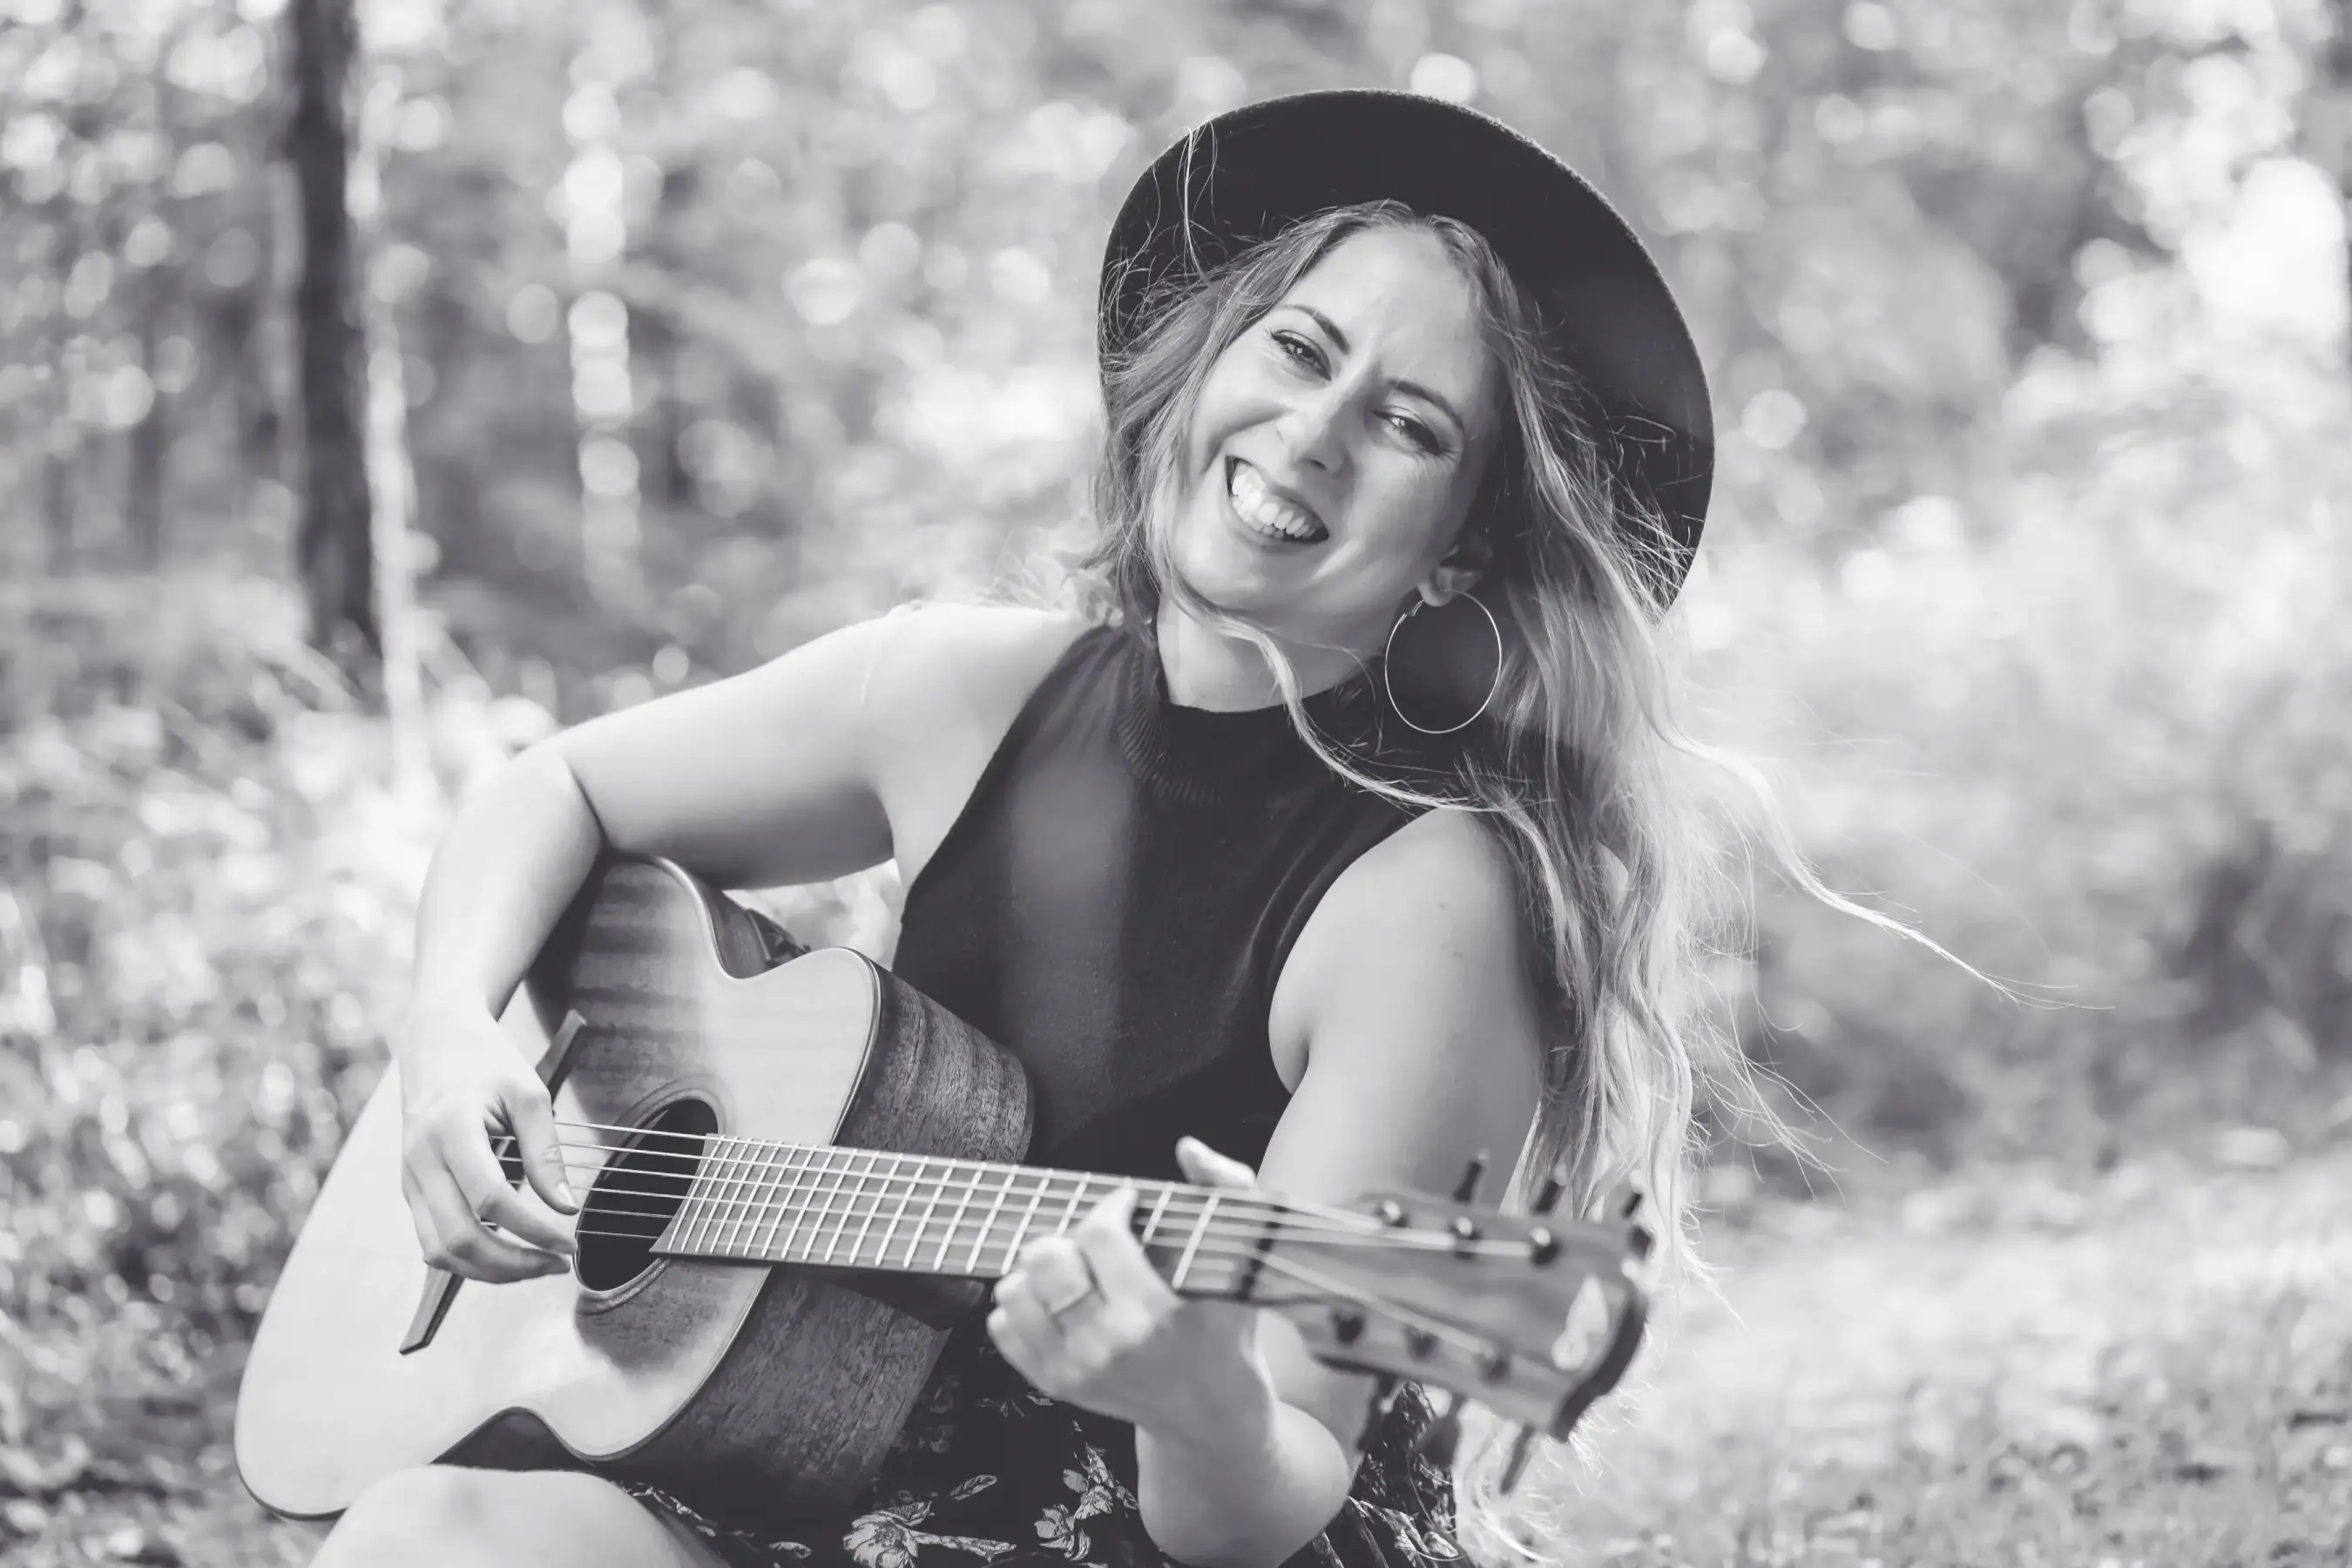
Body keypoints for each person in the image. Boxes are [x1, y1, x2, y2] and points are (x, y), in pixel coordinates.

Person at [308, 90, 1884, 1568]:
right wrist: (450, 1034)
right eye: (1299, 349)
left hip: (1154, 1526)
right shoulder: (959, 692)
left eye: (1409, 425)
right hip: (809, 1460)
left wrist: (1195, 1399)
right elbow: (554, 791)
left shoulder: (1427, 903)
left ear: (1462, 553)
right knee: (418, 1537)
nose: (1313, 433)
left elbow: (1271, 1495)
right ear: (1205, 363)